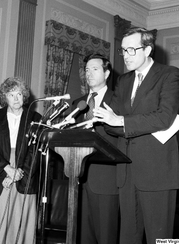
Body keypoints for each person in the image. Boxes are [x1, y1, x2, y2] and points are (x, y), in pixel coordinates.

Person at [93, 27, 179, 244]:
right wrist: (115, 121)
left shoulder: (170, 74)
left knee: (158, 237)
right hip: (126, 170)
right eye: (123, 50)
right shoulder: (123, 81)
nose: (125, 56)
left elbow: (164, 118)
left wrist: (122, 121)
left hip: (157, 171)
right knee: (128, 237)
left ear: (148, 49)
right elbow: (109, 123)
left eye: (131, 50)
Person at [0, 77, 42, 244]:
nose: (16, 98)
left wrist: (18, 172)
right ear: (4, 97)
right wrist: (8, 170)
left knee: (20, 225)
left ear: (24, 95)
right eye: (11, 95)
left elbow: (35, 151)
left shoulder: (35, 117)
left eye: (19, 94)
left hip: (24, 174)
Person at [72, 53, 119, 244]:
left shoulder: (118, 100)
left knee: (106, 236)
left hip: (106, 178)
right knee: (83, 236)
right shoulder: (78, 103)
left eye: (95, 69)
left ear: (106, 73)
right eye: (86, 70)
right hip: (79, 179)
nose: (89, 74)